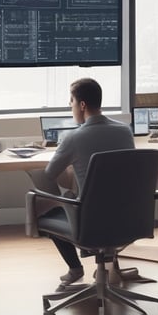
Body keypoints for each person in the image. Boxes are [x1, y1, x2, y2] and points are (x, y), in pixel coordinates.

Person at [33, 78, 135, 287]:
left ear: (82, 105)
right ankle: (107, 264)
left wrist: (68, 161)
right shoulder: (125, 131)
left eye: (71, 102)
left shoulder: (73, 138)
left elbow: (50, 174)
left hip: (91, 222)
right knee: (107, 199)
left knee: (45, 208)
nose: (70, 107)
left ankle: (75, 267)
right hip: (128, 218)